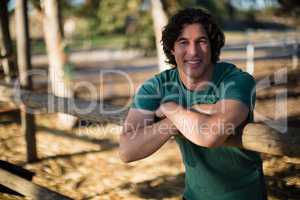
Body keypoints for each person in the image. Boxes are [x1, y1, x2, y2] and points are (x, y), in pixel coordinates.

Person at [119, 8, 267, 200]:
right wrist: (175, 121)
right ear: (172, 48)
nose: (193, 51)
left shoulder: (236, 81)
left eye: (201, 41)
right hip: (193, 196)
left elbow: (210, 136)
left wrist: (170, 108)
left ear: (212, 45)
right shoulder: (158, 86)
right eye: (183, 42)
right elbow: (126, 151)